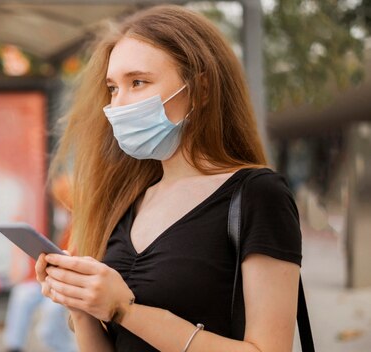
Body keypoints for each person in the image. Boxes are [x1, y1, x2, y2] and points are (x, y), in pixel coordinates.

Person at [36, 5, 302, 352]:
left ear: (201, 89)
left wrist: (125, 310)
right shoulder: (129, 198)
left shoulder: (258, 195)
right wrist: (81, 305)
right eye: (113, 88)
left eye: (138, 82)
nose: (118, 105)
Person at [3, 175, 77, 352]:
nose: (58, 208)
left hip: (67, 282)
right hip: (51, 277)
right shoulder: (63, 226)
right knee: (22, 294)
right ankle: (14, 347)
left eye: (61, 202)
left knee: (49, 318)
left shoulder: (81, 225)